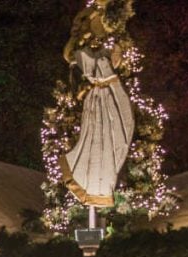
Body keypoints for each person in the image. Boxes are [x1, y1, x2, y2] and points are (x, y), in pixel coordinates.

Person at [59, 0, 134, 207]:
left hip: (111, 95)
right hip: (96, 100)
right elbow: (74, 62)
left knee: (116, 134)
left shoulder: (112, 48)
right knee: (96, 137)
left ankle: (100, 185)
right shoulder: (81, 54)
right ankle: (92, 184)